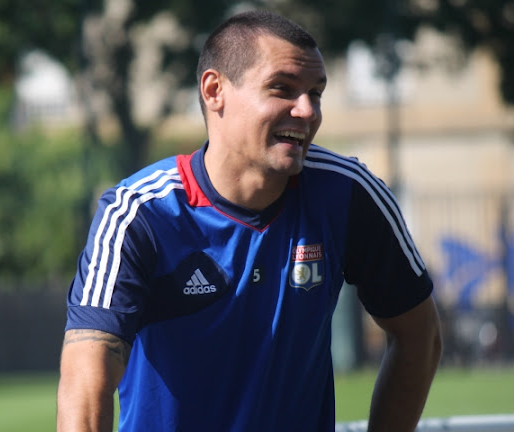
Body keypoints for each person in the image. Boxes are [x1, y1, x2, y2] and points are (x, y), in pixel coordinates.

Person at [57, 9, 442, 432]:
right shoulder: (139, 213)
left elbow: (419, 336)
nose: (307, 110)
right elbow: (85, 381)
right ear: (214, 90)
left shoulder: (348, 194)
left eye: (316, 93)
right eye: (282, 89)